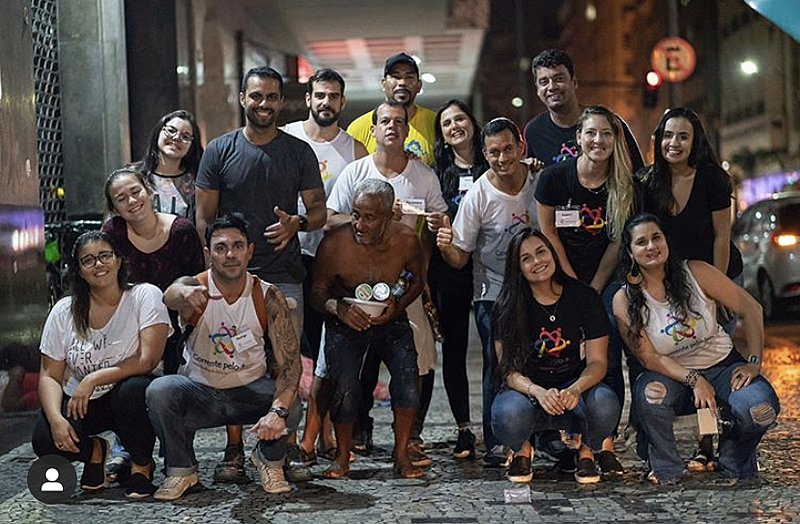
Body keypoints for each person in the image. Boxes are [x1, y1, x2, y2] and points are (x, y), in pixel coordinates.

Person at [196, 66, 325, 481]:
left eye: (271, 97)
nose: (264, 104)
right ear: (242, 98)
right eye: (256, 97)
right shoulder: (219, 150)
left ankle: (276, 452)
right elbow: (204, 217)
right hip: (232, 281)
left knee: (286, 366)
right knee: (232, 365)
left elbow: (319, 212)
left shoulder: (298, 151)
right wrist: (210, 275)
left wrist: (297, 224)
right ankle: (233, 451)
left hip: (284, 276)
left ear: (281, 101)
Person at [612, 214, 779, 485]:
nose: (651, 246)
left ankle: (734, 459)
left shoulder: (696, 272)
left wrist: (754, 362)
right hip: (672, 377)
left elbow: (752, 308)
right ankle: (666, 468)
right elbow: (649, 358)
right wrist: (694, 379)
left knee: (760, 409)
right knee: (651, 396)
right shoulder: (625, 299)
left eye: (656, 237)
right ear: (630, 252)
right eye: (641, 242)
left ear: (666, 241)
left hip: (723, 367)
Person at [147, 214, 302, 500]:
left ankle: (269, 461)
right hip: (201, 392)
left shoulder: (267, 295)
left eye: (237, 246)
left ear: (250, 250)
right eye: (220, 248)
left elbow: (290, 364)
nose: (230, 254)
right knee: (160, 390)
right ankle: (182, 470)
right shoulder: (197, 287)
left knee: (291, 403)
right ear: (208, 254)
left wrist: (277, 411)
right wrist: (183, 292)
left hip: (250, 392)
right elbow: (171, 294)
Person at [329, 101, 446, 466]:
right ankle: (357, 435)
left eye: (399, 122)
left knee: (418, 362)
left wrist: (439, 223)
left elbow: (439, 217)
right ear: (374, 129)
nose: (392, 127)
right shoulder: (354, 171)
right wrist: (371, 217)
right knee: (353, 364)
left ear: (408, 131)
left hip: (405, 281)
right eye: (385, 122)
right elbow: (330, 219)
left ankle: (410, 439)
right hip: (357, 284)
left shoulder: (423, 176)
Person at [534, 106, 638, 475]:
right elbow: (546, 231)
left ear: (615, 140)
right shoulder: (554, 178)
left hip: (606, 278)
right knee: (564, 351)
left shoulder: (623, 184)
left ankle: (604, 442)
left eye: (606, 134)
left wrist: (593, 288)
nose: (599, 141)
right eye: (591, 133)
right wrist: (572, 281)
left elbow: (616, 241)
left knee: (605, 352)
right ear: (577, 138)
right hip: (561, 274)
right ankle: (573, 439)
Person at [639, 108, 744, 469]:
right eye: (668, 136)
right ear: (659, 139)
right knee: (678, 358)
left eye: (683, 136)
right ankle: (655, 444)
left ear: (695, 141)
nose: (674, 143)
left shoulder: (713, 178)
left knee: (713, 359)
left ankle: (708, 443)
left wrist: (717, 291)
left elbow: (722, 236)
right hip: (670, 288)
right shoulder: (649, 182)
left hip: (717, 277)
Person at [31, 231, 171, 500]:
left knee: (133, 391)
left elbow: (148, 360)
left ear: (118, 260)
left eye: (105, 256)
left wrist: (93, 379)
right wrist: (56, 419)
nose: (98, 264)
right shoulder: (64, 311)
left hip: (129, 395)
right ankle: (94, 451)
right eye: (88, 260)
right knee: (44, 440)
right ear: (80, 271)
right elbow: (50, 374)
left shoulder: (144, 296)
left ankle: (141, 466)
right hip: (82, 400)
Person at [436, 117, 539, 467]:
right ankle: (498, 441)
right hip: (492, 292)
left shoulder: (539, 182)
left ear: (521, 147)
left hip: (539, 289)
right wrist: (445, 244)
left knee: (543, 359)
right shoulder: (479, 193)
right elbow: (459, 257)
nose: (502, 158)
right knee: (498, 366)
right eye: (494, 152)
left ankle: (545, 435)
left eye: (508, 149)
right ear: (485, 154)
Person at [281, 68, 368, 465]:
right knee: (289, 348)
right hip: (287, 254)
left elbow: (359, 213)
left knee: (326, 351)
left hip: (332, 260)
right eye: (320, 95)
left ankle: (325, 427)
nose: (326, 102)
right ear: (309, 98)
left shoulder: (354, 150)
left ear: (342, 102)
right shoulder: (287, 137)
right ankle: (289, 428)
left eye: (333, 96)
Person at [311, 179, 425, 479]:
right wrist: (339, 308)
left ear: (389, 217)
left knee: (408, 378)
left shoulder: (407, 240)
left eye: (369, 217)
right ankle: (342, 457)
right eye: (355, 214)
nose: (359, 224)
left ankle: (401, 455)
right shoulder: (335, 244)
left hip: (391, 317)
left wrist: (396, 307)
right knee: (344, 384)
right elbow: (317, 292)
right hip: (345, 319)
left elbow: (416, 280)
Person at [491, 228, 619, 484]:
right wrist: (537, 391)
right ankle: (522, 450)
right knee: (509, 414)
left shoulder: (583, 297)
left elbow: (597, 362)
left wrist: (575, 389)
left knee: (605, 403)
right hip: (528, 391)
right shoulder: (507, 305)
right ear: (517, 268)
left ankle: (587, 451)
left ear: (553, 253)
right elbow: (508, 371)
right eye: (526, 258)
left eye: (541, 252)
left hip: (574, 388)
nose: (537, 261)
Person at [101, 167, 205, 481]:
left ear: (149, 190)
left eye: (136, 192)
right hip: (129, 326)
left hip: (178, 327)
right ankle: (128, 450)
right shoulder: (113, 234)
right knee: (128, 389)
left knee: (174, 391)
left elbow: (198, 282)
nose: (132, 201)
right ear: (114, 208)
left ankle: (178, 454)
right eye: (122, 199)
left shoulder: (182, 230)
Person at [429, 99, 488, 459]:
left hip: (491, 268)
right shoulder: (436, 172)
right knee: (453, 351)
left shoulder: (493, 163)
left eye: (460, 119)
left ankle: (498, 427)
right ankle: (464, 428)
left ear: (472, 123)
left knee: (496, 349)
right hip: (450, 268)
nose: (455, 126)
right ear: (443, 135)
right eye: (447, 123)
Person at [523, 48, 643, 172]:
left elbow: (639, 174)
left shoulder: (609, 123)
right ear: (537, 90)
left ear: (574, 82)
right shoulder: (534, 132)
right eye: (544, 82)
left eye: (559, 79)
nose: (552, 87)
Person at [347, 52, 436, 166]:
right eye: (396, 76)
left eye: (409, 77)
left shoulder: (434, 122)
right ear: (383, 84)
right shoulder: (358, 128)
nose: (402, 83)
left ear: (419, 85)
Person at [135, 110, 203, 220]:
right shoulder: (133, 176)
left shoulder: (197, 181)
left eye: (185, 137)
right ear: (159, 132)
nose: (176, 138)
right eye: (171, 131)